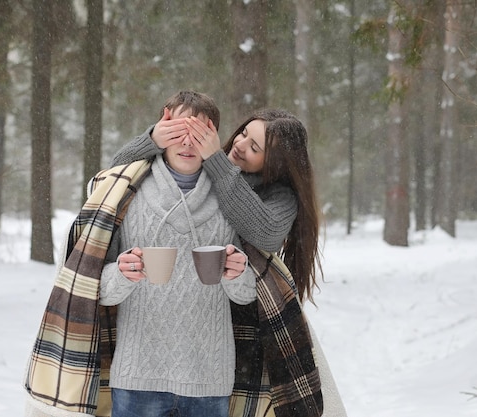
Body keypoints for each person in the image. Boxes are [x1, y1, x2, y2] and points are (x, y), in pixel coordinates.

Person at [23, 91, 257, 417]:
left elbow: (246, 296)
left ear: (215, 138)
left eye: (200, 133)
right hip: (136, 377)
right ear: (163, 123)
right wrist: (122, 273)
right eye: (179, 130)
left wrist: (238, 273)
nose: (188, 142)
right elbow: (98, 289)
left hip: (210, 378)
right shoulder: (126, 189)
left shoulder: (230, 198)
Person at [111, 107, 321, 304]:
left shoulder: (280, 195)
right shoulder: (209, 165)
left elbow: (267, 233)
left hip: (240, 312)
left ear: (276, 164)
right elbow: (115, 174)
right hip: (166, 300)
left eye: (254, 147)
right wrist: (152, 140)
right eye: (243, 133)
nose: (240, 144)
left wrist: (215, 160)